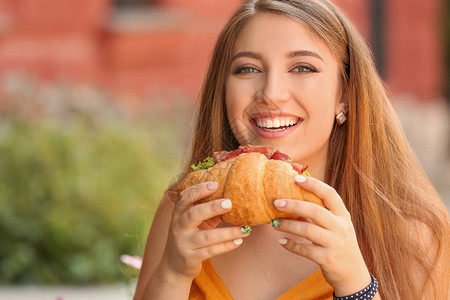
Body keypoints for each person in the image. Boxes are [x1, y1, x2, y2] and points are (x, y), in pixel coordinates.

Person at [134, 0, 448, 299]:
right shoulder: (185, 210)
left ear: (345, 96)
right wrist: (173, 274)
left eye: (302, 68)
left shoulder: (415, 232)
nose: (271, 93)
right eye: (247, 69)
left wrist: (355, 283)